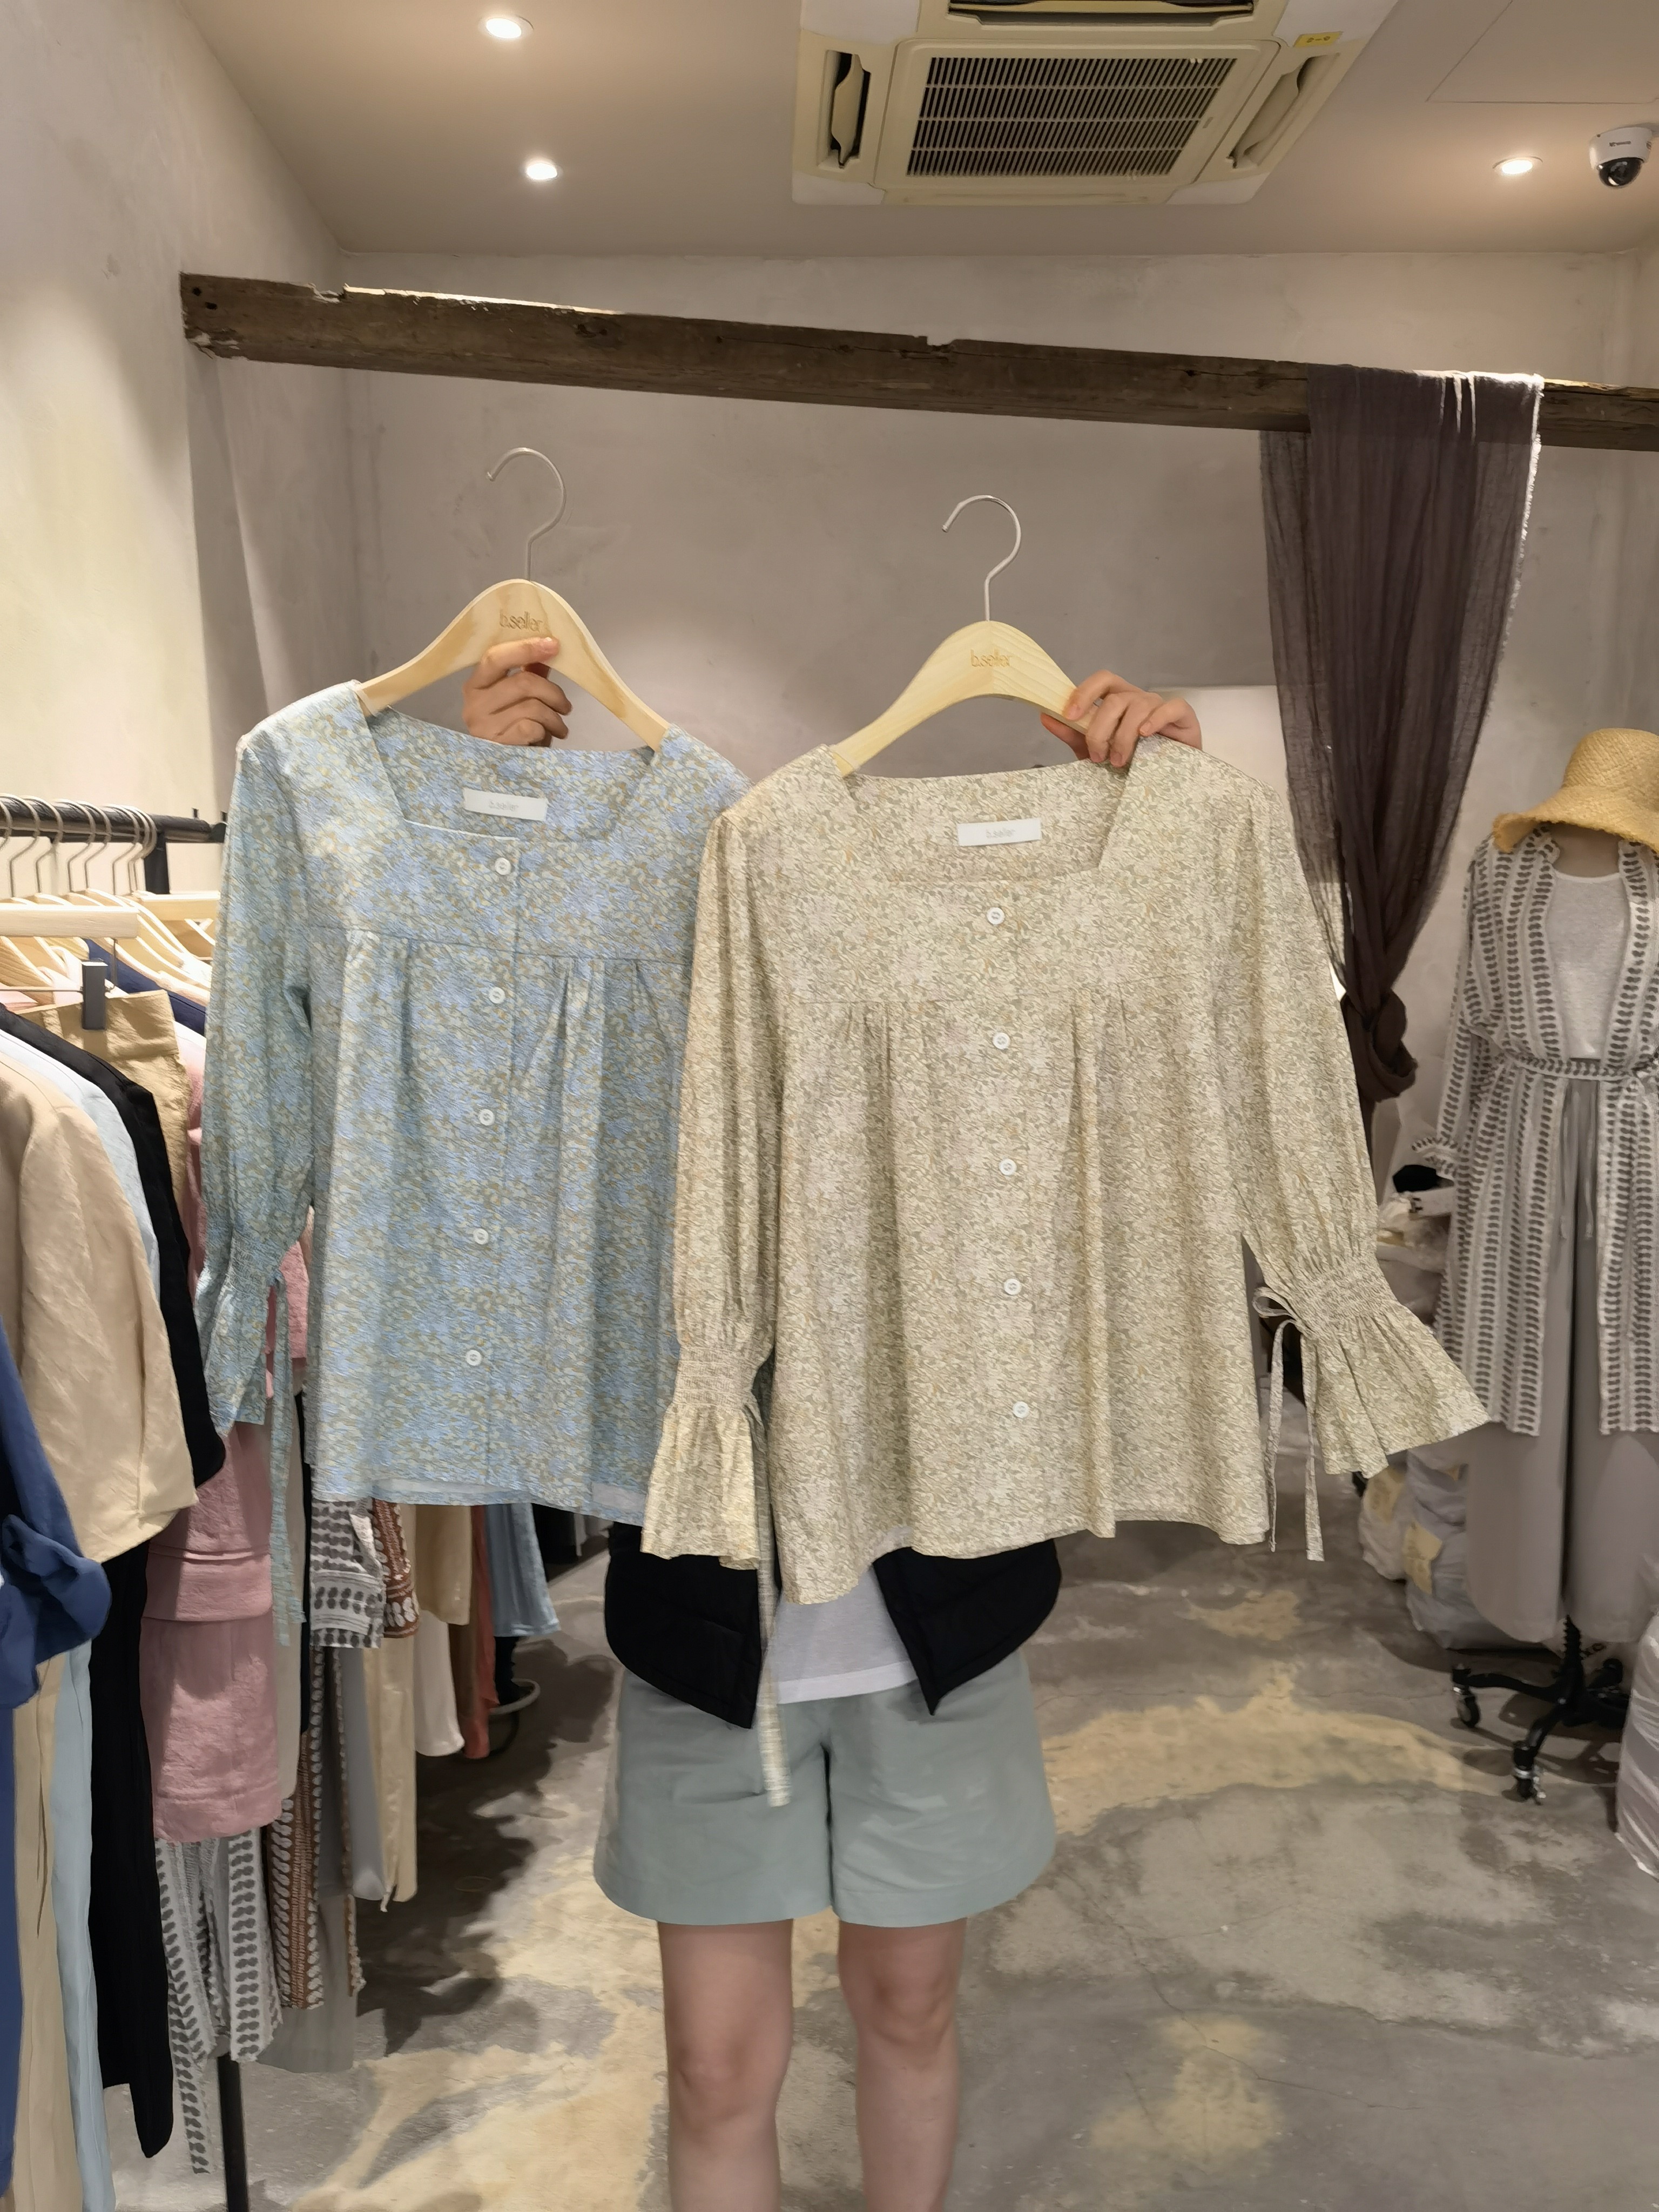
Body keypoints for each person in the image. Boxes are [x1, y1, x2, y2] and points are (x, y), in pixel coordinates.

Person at [462, 643, 1202, 2212]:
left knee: (909, 2009)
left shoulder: (959, 991)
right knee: (716, 2066)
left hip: (937, 1614)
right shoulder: (663, 968)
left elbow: (1165, 1043)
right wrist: (491, 812)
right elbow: (489, 1054)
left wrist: (1163, 819)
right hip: (708, 1631)